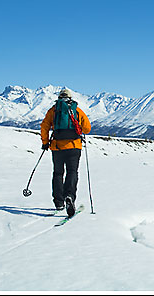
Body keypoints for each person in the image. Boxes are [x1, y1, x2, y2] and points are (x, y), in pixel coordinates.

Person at [40, 88, 91, 216]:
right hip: (74, 147)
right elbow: (87, 129)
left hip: (57, 147)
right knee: (72, 172)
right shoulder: (76, 110)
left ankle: (59, 202)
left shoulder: (53, 111)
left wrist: (45, 142)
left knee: (58, 173)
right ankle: (69, 196)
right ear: (70, 97)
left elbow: (44, 126)